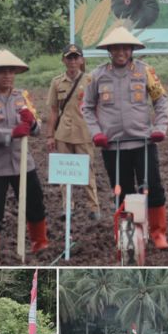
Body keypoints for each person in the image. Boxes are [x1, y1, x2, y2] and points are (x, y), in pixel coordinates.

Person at [81, 27, 168, 249]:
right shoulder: (97, 76)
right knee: (124, 190)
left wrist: (160, 127)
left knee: (153, 187)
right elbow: (87, 107)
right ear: (109, 50)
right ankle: (132, 234)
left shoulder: (145, 71)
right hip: (113, 146)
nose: (120, 51)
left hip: (143, 142)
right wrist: (96, 133)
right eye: (115, 48)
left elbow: (161, 100)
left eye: (124, 48)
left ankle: (158, 233)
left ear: (131, 50)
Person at [0, 49, 49, 260]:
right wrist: (11, 133)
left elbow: (37, 128)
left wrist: (31, 122)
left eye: (11, 71)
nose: (7, 76)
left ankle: (40, 245)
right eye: (2, 72)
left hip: (23, 163)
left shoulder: (23, 97)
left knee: (35, 203)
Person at [46, 44, 101, 221]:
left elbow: (98, 108)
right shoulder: (56, 82)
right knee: (64, 171)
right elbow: (53, 111)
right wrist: (49, 135)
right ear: (63, 60)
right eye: (69, 57)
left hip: (84, 132)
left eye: (76, 57)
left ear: (82, 60)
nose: (73, 61)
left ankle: (94, 207)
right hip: (63, 133)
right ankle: (67, 206)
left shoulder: (90, 81)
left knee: (87, 171)